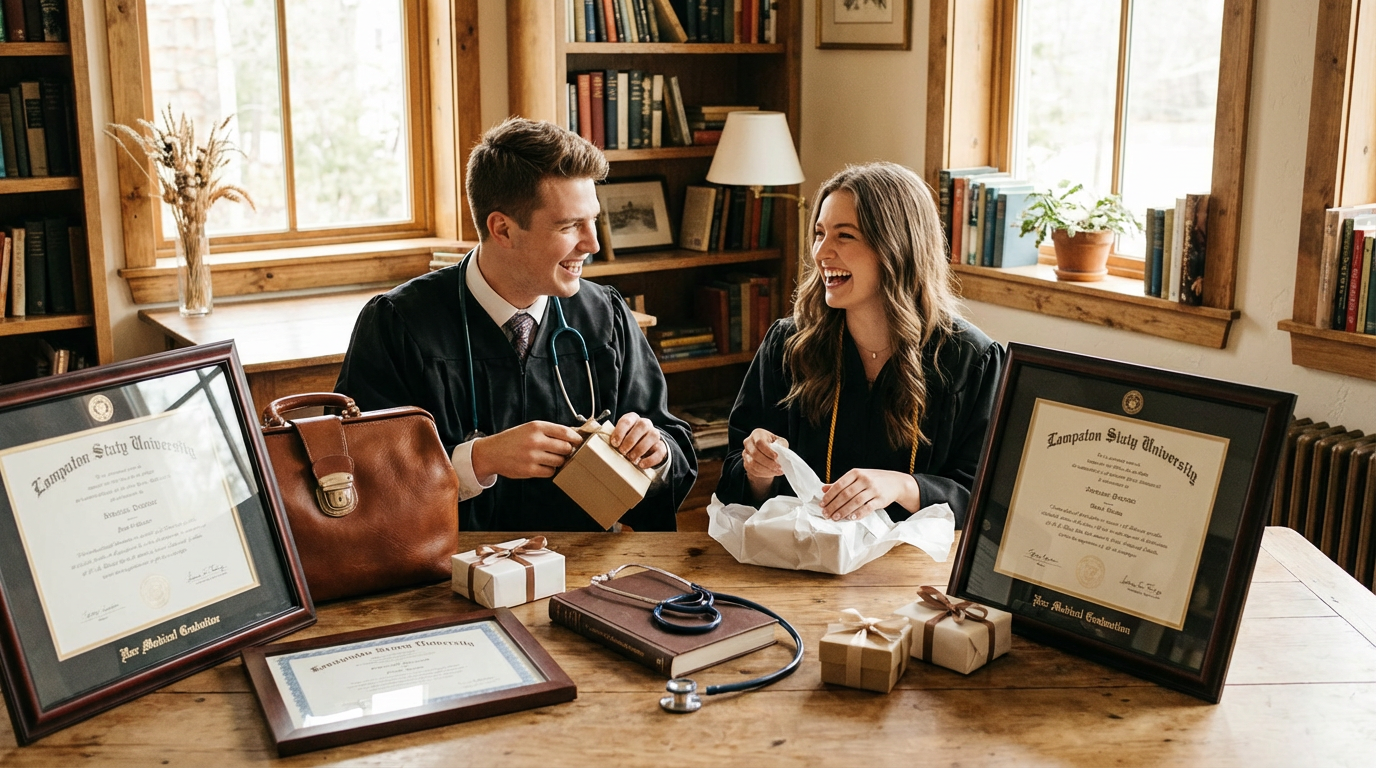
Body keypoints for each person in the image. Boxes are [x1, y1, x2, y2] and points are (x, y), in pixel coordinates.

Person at [336, 118, 697, 531]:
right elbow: (361, 475)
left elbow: (677, 451)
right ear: (502, 229)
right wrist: (479, 460)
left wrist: (658, 453)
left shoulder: (606, 317)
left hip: (586, 570)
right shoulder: (398, 325)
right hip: (449, 574)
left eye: (593, 220)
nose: (593, 244)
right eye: (569, 226)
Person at [716, 162, 1005, 528]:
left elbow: (985, 503)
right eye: (820, 234)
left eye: (844, 236)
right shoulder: (788, 346)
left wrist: (902, 486)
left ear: (896, 246)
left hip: (912, 573)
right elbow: (731, 484)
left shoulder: (971, 361)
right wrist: (758, 472)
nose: (821, 253)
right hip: (800, 566)